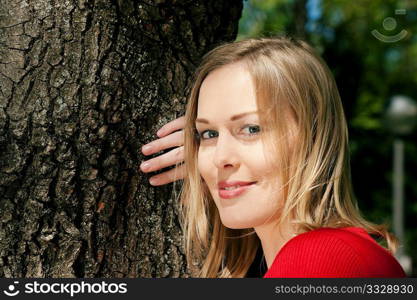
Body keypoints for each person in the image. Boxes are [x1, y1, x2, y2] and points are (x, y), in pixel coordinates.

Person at [139, 36, 406, 278]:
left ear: (312, 137)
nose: (220, 157)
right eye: (208, 134)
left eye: (251, 129)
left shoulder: (323, 256)